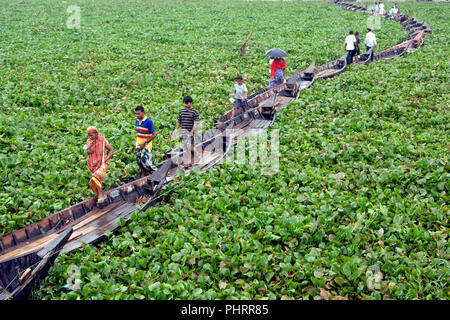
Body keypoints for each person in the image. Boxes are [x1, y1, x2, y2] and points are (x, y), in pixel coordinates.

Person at [85, 126, 114, 203]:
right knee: (97, 179)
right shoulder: (89, 141)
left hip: (102, 163)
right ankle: (100, 193)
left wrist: (107, 158)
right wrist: (90, 145)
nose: (90, 137)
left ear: (96, 133)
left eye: (91, 135)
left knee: (95, 176)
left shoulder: (102, 140)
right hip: (93, 163)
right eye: (89, 135)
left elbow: (111, 150)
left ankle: (100, 194)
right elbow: (89, 152)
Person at [172, 96, 200, 165]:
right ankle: (190, 161)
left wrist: (192, 132)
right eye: (184, 103)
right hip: (184, 132)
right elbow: (179, 121)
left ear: (191, 103)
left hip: (191, 132)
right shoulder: (182, 111)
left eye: (187, 103)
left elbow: (196, 123)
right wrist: (176, 129)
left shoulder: (195, 112)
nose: (185, 105)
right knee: (186, 147)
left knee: (191, 147)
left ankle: (197, 155)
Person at [135, 105, 157, 178]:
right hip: (138, 144)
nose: (137, 115)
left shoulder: (148, 122)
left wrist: (144, 143)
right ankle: (143, 176)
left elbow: (154, 135)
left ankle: (156, 175)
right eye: (136, 114)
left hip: (146, 145)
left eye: (139, 114)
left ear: (143, 112)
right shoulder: (137, 121)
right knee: (139, 161)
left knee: (147, 162)